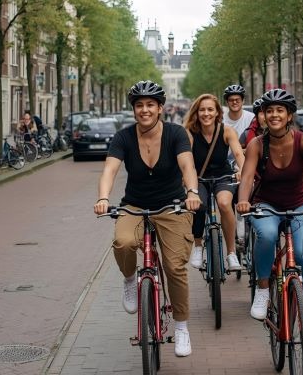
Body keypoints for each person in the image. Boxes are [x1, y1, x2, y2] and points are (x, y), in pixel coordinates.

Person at [93, 80, 201, 357]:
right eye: (139, 105)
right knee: (123, 241)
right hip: (135, 205)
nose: (144, 110)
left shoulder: (176, 133)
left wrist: (192, 191)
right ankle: (130, 279)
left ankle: (181, 328)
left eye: (150, 105)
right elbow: (110, 170)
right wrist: (104, 198)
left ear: (160, 108)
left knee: (175, 267)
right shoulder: (124, 137)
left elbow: (187, 165)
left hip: (172, 206)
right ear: (134, 110)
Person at [236, 88, 303, 341]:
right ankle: (262, 289)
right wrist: (242, 201)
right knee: (268, 235)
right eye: (269, 110)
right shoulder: (256, 144)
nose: (274, 115)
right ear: (263, 115)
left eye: (279, 111)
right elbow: (248, 175)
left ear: (289, 115)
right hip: (266, 204)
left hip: (299, 204)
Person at [183, 93, 245, 271]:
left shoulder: (226, 131)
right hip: (198, 178)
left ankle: (231, 253)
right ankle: (198, 246)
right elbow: (185, 159)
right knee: (197, 205)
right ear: (196, 112)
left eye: (210, 109)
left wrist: (241, 170)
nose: (206, 113)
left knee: (225, 204)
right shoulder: (190, 133)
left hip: (223, 177)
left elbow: (239, 154)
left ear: (218, 112)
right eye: (202, 110)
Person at [223, 84, 255, 150]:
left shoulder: (252, 118)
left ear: (243, 101)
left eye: (237, 100)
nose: (234, 102)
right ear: (227, 102)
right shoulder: (220, 120)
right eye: (231, 100)